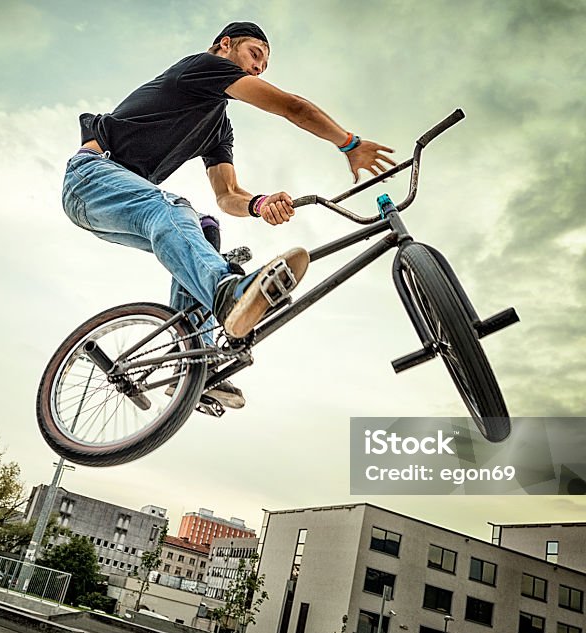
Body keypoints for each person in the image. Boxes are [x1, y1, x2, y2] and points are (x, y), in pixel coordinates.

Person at [62, 21, 394, 409]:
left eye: (264, 66)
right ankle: (227, 293)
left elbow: (228, 194)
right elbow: (293, 107)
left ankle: (195, 360)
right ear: (225, 46)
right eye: (255, 55)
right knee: (174, 211)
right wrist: (349, 143)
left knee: (204, 227)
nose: (258, 69)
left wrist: (259, 203)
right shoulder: (202, 67)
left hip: (116, 199)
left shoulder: (219, 129)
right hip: (92, 178)